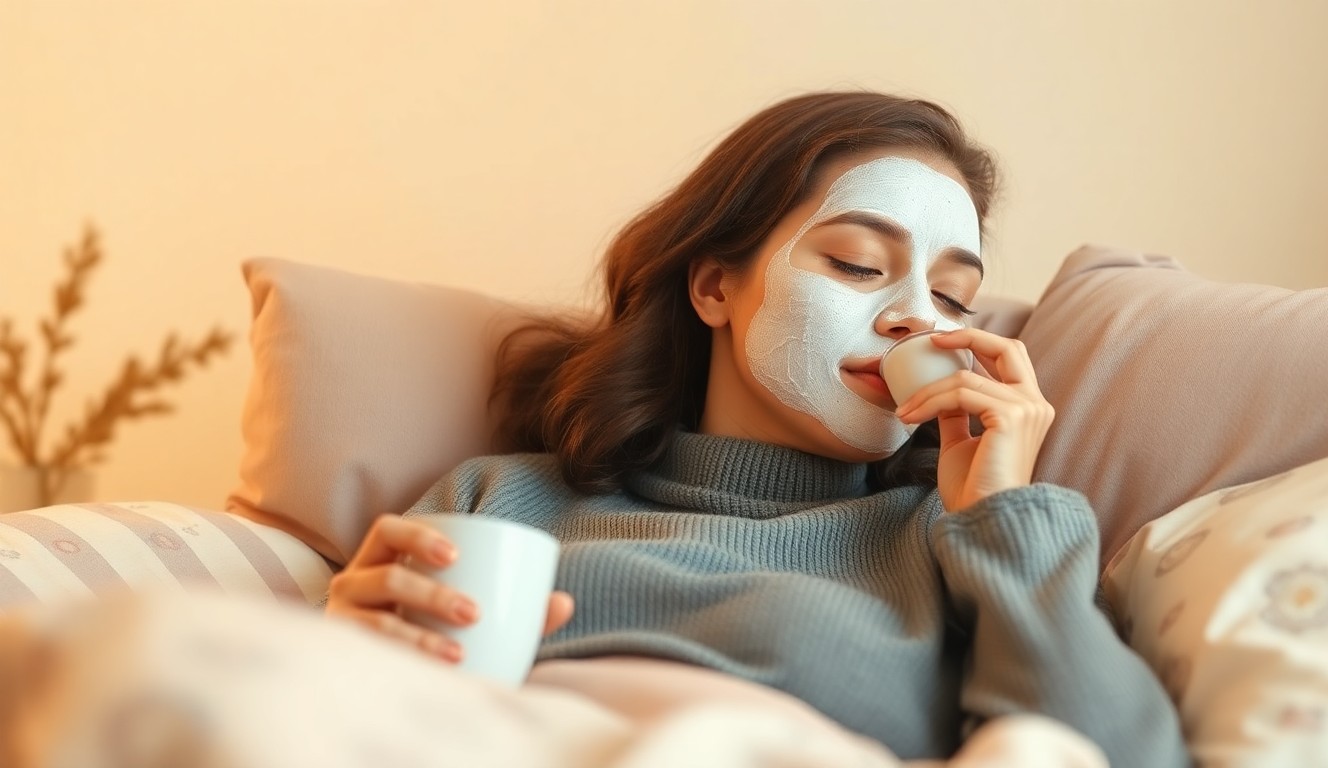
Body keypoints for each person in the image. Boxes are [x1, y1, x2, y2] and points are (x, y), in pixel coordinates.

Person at [324, 90, 1190, 767]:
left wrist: (1003, 518)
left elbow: (1115, 757)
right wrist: (338, 651)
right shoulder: (497, 498)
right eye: (858, 263)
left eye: (955, 296)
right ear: (713, 289)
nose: (918, 320)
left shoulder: (958, 542)